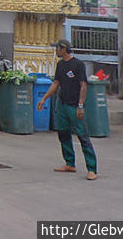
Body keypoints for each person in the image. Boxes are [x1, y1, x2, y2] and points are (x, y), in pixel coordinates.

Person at [36, 39, 98, 181]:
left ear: (63, 49)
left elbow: (83, 86)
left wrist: (80, 105)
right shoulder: (60, 65)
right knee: (63, 134)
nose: (56, 51)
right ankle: (70, 163)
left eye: (57, 48)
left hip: (74, 105)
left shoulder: (78, 64)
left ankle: (92, 169)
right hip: (62, 104)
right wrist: (44, 98)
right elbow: (56, 83)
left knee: (82, 136)